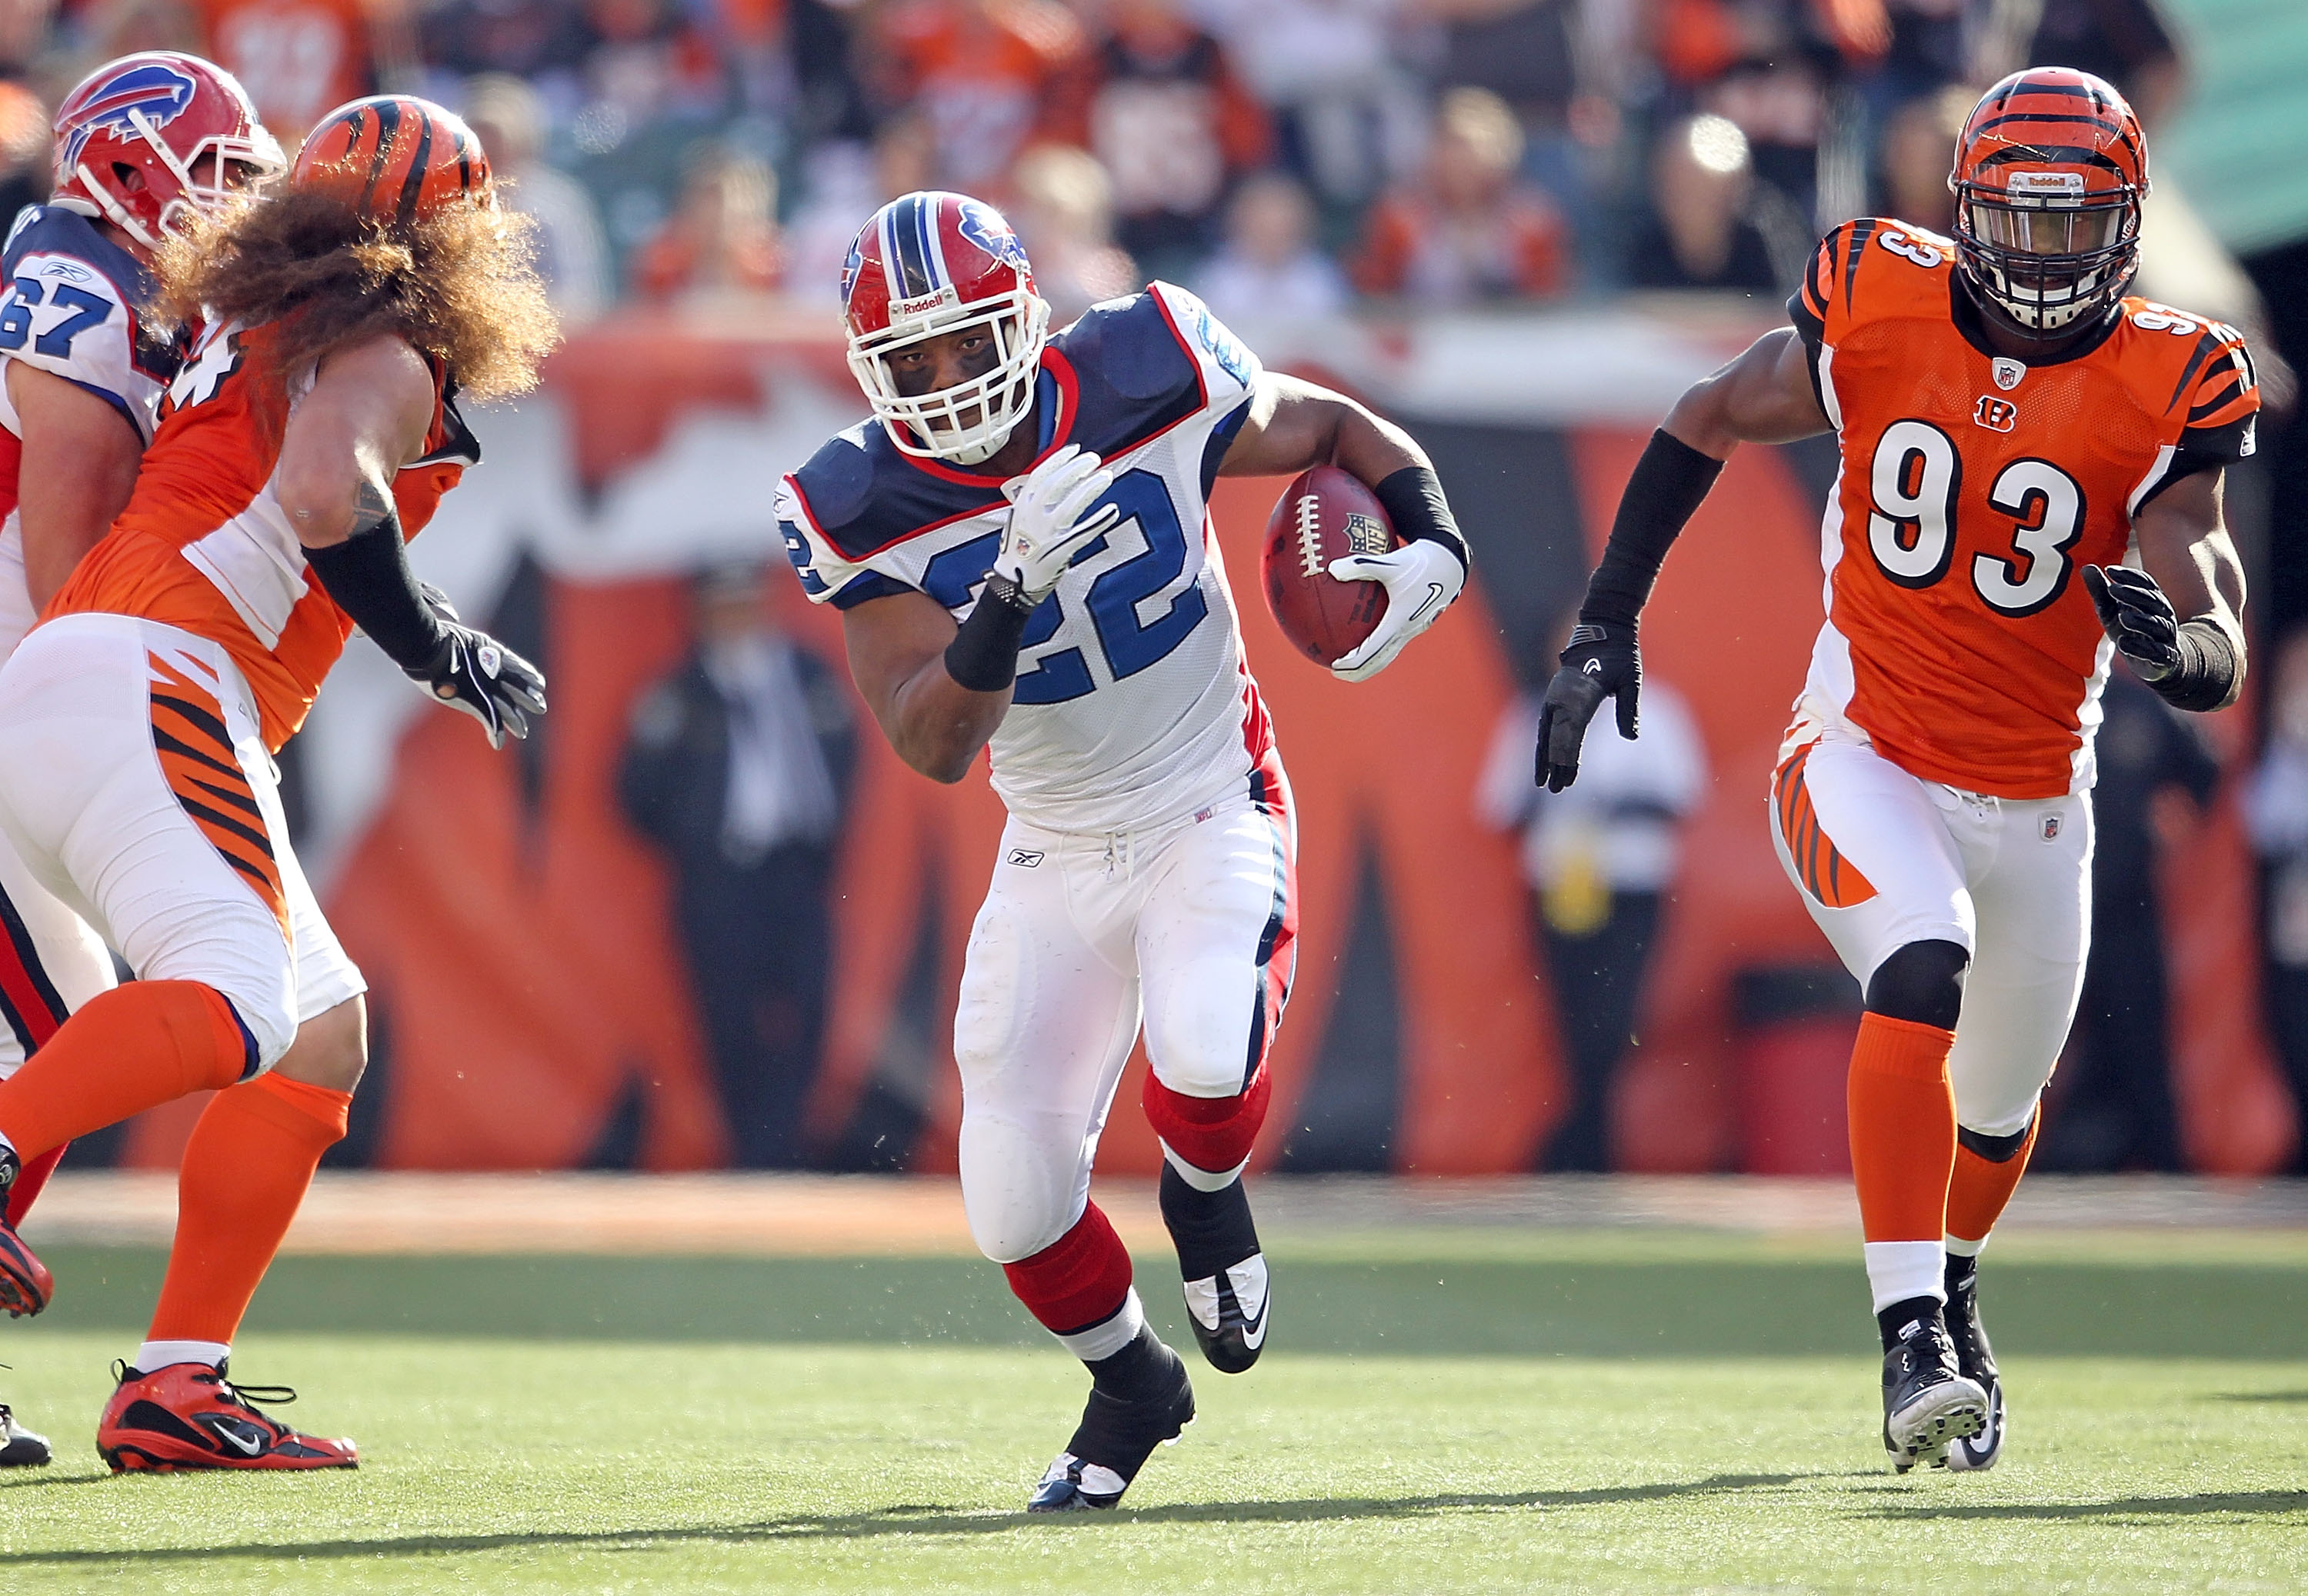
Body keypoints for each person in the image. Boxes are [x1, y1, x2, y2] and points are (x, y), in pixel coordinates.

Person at [1536, 69, 2256, 1474]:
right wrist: (1606, 615)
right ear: (1966, 210)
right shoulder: (1877, 289)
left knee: (1996, 1112)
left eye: (2077, 224)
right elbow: (1708, 412)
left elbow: (2206, 569)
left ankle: (1955, 1284)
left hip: (2046, 796)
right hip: (1863, 749)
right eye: (2021, 219)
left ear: (2128, 228)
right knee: (1918, 963)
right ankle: (1910, 1337)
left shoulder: (2179, 371)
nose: (2045, 256)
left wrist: (2191, 654)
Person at [779, 190, 1469, 1510]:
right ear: (871, 376)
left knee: (1205, 1057)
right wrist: (1006, 591)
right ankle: (1133, 1382)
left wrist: (1434, 531)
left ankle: (1206, 1204)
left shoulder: (1144, 361)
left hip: (1209, 796)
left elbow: (1327, 424)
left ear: (1024, 317)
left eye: (966, 342)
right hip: (1051, 849)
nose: (945, 383)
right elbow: (930, 742)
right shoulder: (860, 500)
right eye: (910, 366)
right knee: (1011, 1202)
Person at [0, 93, 555, 1471]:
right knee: (242, 997)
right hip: (161, 674)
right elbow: (324, 494)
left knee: (317, 1031)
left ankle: (175, 1383)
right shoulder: (387, 340)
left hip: (106, 674)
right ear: (457, 237)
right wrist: (437, 647)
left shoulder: (255, 320)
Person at [0, 48, 285, 1474]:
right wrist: (86, 726)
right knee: (67, 1014)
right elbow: (62, 533)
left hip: (26, 691)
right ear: (121, 165)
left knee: (58, 1022)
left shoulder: (129, 289)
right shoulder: (75, 281)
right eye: (217, 174)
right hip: (20, 678)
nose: (229, 207)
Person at [619, 562, 854, 1168]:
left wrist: (823, 836)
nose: (737, 618)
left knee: (809, 1008)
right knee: (729, 1018)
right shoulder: (681, 691)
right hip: (720, 876)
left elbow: (849, 757)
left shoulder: (806, 674)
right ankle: (754, 1152)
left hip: (798, 868)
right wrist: (695, 835)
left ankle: (785, 1148)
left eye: (746, 603)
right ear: (701, 614)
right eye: (723, 606)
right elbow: (633, 790)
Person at [1477, 659, 1706, 1171]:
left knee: (1615, 1015)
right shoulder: (1535, 712)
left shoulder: (1656, 711)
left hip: (1631, 883)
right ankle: (1587, 1143)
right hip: (1561, 883)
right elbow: (1500, 804)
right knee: (1573, 1015)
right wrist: (1564, 803)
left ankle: (1584, 1139)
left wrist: (1610, 804)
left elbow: (1682, 794)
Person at [2038, 668, 2218, 1171]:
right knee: (2033, 1044)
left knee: (2141, 1043)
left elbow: (2205, 766)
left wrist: (2166, 829)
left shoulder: (2138, 706)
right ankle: (2001, 1166)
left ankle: (2171, 1167)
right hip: (2049, 907)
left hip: (2125, 910)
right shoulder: (2044, 700)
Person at [1352, 87, 1568, 305]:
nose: (1461, 161)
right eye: (1450, 146)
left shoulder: (1531, 219)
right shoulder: (1399, 215)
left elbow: (1548, 297)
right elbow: (1375, 296)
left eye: (1471, 148)